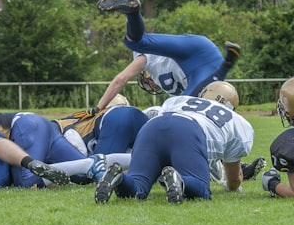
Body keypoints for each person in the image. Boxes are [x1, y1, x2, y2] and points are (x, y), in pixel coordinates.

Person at [94, 87, 255, 204]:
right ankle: (182, 181)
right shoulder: (238, 123)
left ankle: (120, 177)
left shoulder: (181, 100)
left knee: (137, 187)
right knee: (201, 189)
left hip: (152, 127)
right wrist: (232, 185)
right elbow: (234, 180)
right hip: (188, 131)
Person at [92, 0, 241, 111]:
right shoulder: (172, 89)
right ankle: (133, 11)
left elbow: (120, 79)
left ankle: (226, 66)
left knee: (182, 107)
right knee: (188, 104)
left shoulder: (145, 60)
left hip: (194, 55)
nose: (150, 84)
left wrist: (98, 108)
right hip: (201, 53)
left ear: (144, 73)